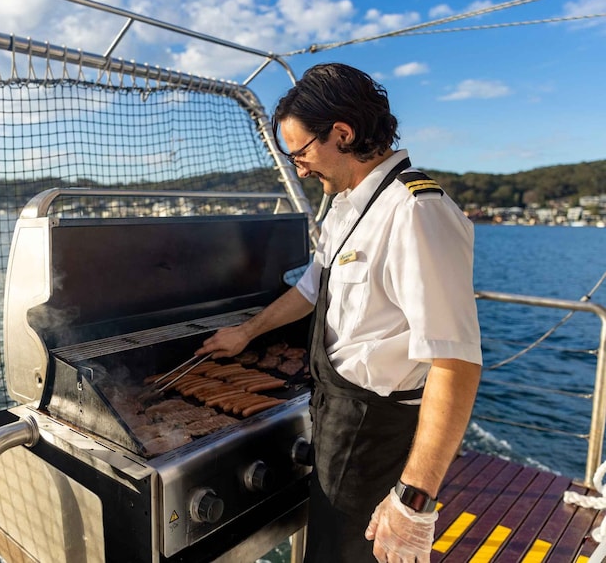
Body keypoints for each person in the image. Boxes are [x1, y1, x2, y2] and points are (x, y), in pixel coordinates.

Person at [196, 63, 482, 562]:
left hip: (376, 433)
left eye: (301, 153)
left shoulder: (415, 211)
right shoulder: (347, 207)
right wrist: (245, 333)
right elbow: (311, 291)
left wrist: (414, 499)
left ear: (343, 134)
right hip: (336, 415)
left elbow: (455, 362)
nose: (299, 169)